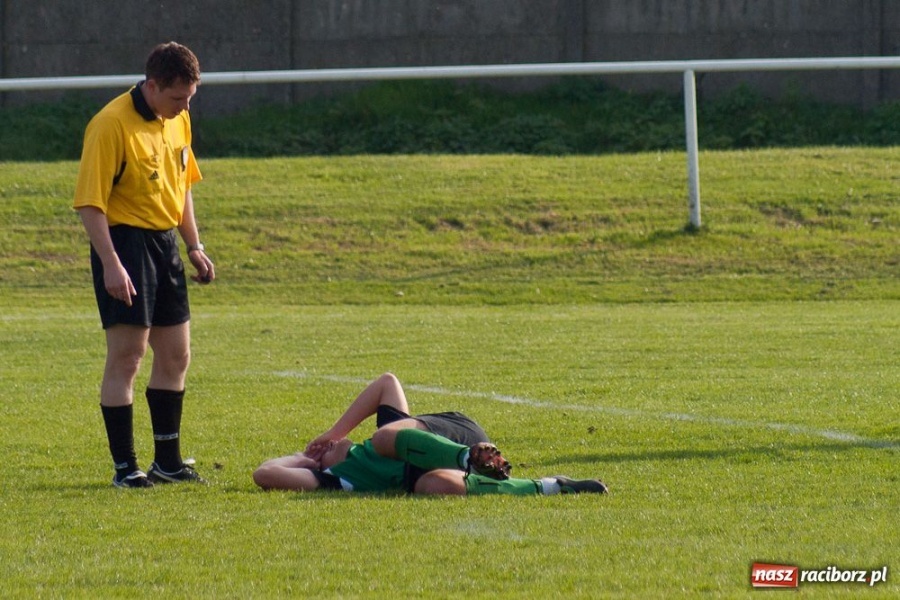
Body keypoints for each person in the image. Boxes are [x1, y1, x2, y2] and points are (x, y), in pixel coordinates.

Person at [73, 42, 214, 488]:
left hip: (164, 243)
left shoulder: (179, 119)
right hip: (124, 243)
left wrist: (193, 245)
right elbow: (90, 205)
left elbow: (183, 185)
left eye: (190, 98)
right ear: (152, 86)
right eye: (177, 98)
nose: (185, 107)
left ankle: (167, 463)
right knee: (128, 356)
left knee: (176, 354)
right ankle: (125, 468)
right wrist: (111, 263)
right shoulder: (110, 124)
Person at [253, 373, 609, 496]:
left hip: (455, 432)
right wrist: (304, 457)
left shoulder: (381, 438)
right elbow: (265, 473)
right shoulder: (337, 479)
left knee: (384, 437)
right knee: (433, 488)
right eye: (327, 448)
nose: (333, 445)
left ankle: (465, 457)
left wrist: (334, 431)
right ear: (318, 464)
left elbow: (386, 383)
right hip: (432, 468)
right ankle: (551, 486)